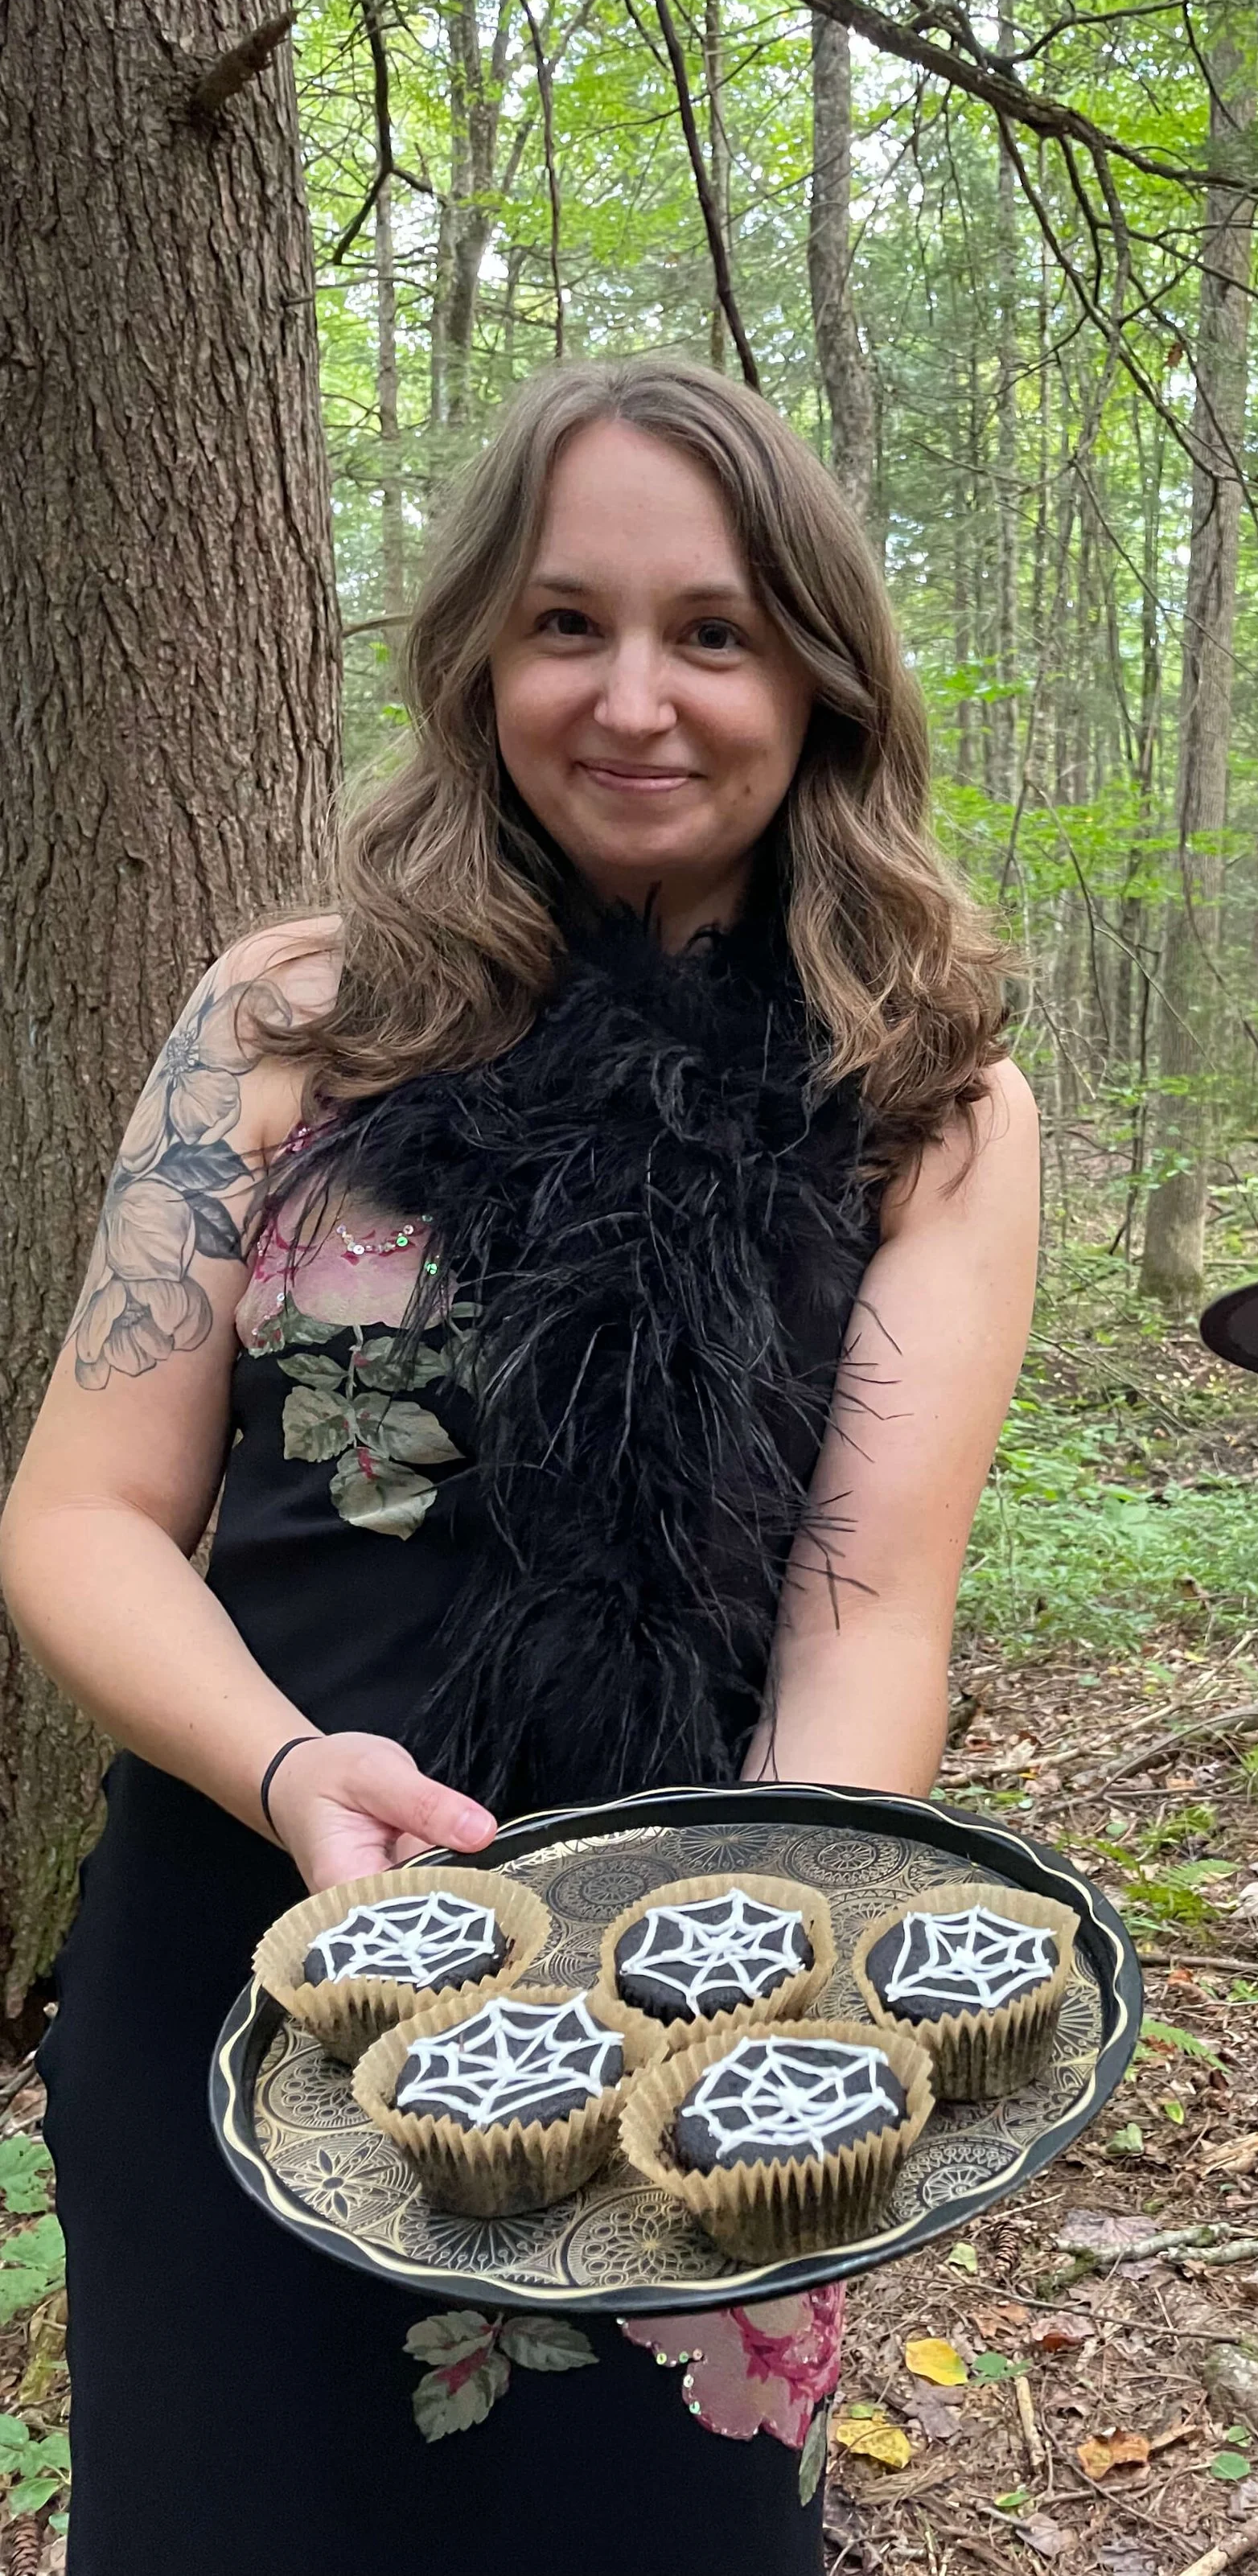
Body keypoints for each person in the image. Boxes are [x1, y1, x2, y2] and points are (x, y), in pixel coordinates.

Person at [0, 353, 1040, 2574]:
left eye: (712, 630)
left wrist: (774, 1971)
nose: (633, 696)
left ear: (820, 678)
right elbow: (77, 1514)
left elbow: (868, 1609)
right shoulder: (289, 1024)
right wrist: (293, 1777)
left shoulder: (926, 1093)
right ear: (480, 652)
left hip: (700, 2035)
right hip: (255, 1968)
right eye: (568, 622)